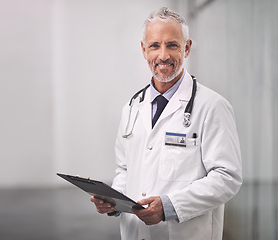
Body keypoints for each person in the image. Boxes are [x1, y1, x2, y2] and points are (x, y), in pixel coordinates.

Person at [91, 7, 242, 240]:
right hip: (135, 233)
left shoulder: (212, 106)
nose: (163, 55)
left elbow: (227, 177)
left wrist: (169, 206)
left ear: (187, 47)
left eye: (172, 45)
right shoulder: (131, 108)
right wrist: (114, 201)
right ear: (144, 50)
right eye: (154, 46)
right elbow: (124, 169)